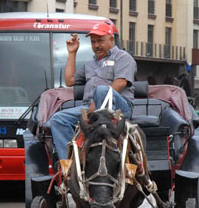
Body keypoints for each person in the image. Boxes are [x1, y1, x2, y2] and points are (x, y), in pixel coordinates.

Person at [49, 22, 137, 159]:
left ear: (111, 40)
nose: (96, 45)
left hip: (118, 108)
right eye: (93, 42)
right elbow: (69, 81)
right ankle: (69, 162)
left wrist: (95, 104)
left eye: (100, 41)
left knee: (102, 90)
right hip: (90, 107)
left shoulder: (123, 57)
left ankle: (107, 147)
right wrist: (72, 53)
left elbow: (120, 83)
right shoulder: (89, 65)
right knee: (58, 119)